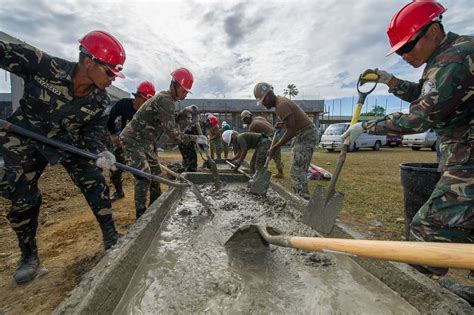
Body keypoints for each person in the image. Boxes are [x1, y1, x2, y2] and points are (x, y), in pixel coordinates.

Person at [342, 1, 473, 279]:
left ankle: (422, 297)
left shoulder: (456, 58)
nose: (403, 55)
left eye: (407, 46)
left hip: (469, 158)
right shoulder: (440, 60)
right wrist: (390, 81)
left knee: (426, 230)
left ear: (434, 31)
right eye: (399, 51)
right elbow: (423, 94)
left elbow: (420, 115)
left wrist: (367, 126)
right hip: (462, 153)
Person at [0, 30, 126, 284]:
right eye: (110, 72)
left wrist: (99, 151)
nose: (113, 79)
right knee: (21, 196)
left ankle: (111, 236)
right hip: (25, 135)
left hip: (65, 141)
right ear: (89, 61)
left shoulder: (100, 100)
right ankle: (29, 256)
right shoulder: (45, 66)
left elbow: (93, 131)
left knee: (95, 181)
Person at [119, 68, 207, 219]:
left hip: (147, 142)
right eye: (184, 90)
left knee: (156, 176)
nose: (186, 94)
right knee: (144, 176)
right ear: (175, 85)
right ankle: (141, 218)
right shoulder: (166, 100)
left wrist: (186, 112)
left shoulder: (169, 101)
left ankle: (154, 211)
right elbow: (174, 135)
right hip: (133, 140)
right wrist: (195, 138)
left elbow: (172, 121)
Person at [253, 82, 318, 200]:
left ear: (267, 97)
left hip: (306, 134)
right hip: (302, 133)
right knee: (298, 169)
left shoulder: (281, 105)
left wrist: (275, 147)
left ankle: (303, 202)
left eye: (262, 102)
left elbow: (291, 130)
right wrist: (282, 123)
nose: (263, 105)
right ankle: (302, 200)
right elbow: (292, 121)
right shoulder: (280, 103)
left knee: (297, 171)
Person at [107, 81, 156, 202]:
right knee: (115, 167)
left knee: (147, 172)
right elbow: (110, 119)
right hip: (122, 142)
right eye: (144, 100)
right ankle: (119, 192)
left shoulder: (148, 112)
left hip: (142, 145)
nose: (145, 104)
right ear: (138, 96)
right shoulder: (123, 105)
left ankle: (153, 198)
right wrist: (113, 135)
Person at [241, 110, 284, 178]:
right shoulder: (259, 118)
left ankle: (257, 174)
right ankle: (280, 172)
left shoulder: (252, 125)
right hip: (275, 136)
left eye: (244, 120)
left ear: (248, 118)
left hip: (269, 139)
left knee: (259, 158)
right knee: (277, 156)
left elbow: (252, 142)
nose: (244, 122)